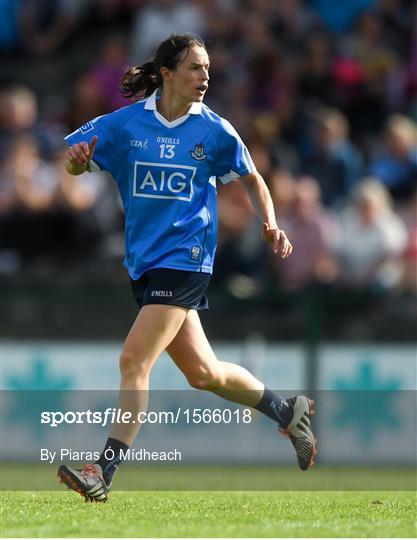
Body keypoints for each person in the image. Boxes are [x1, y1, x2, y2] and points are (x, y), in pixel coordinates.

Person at [57, 34, 317, 503]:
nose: (205, 77)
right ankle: (286, 410)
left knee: (134, 360)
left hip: (188, 258)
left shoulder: (215, 130)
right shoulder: (126, 124)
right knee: (205, 374)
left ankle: (103, 472)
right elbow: (77, 160)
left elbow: (254, 178)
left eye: (208, 68)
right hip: (145, 263)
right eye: (196, 68)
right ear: (168, 73)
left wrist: (271, 223)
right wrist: (78, 166)